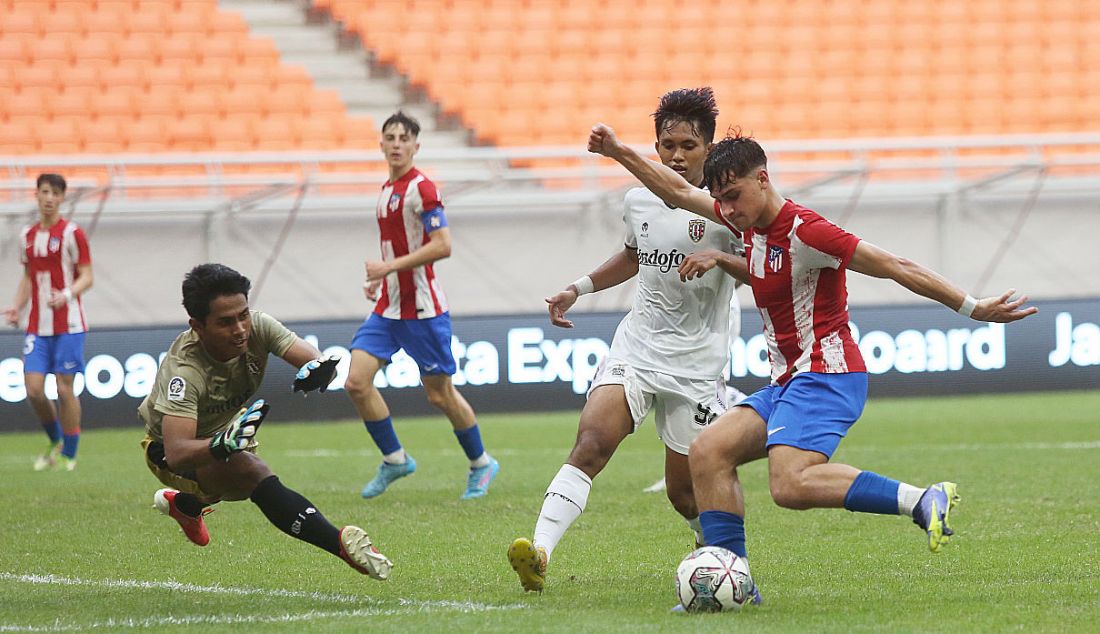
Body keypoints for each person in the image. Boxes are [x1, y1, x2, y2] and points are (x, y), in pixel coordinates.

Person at [587, 124, 1037, 600]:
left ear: (763, 178)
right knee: (708, 452)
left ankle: (922, 499)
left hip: (828, 374)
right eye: (722, 200)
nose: (730, 210)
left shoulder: (808, 232)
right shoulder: (745, 224)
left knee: (790, 484)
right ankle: (735, 583)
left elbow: (897, 266)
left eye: (735, 196)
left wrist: (974, 307)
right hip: (788, 382)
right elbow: (676, 190)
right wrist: (619, 153)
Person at [508, 88, 749, 593]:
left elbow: (762, 273)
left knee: (685, 495)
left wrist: (722, 259)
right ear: (656, 145)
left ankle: (728, 566)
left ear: (708, 147)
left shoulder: (729, 208)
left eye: (688, 144)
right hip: (636, 349)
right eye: (667, 145)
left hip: (696, 365)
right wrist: (579, 287)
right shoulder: (638, 198)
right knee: (591, 444)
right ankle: (540, 552)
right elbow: (633, 255)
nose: (677, 155)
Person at [138, 263, 392, 580]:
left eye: (243, 314)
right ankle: (339, 544)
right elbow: (178, 452)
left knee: (233, 483)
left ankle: (187, 506)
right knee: (250, 471)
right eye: (225, 322)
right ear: (198, 326)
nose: (240, 328)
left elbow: (312, 357)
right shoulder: (184, 372)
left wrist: (321, 369)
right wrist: (221, 445)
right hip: (168, 452)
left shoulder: (258, 326)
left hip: (224, 435)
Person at [344, 111, 499, 501]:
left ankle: (481, 463)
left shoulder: (423, 189)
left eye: (403, 138)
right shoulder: (385, 192)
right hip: (388, 308)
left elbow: (443, 245)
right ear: (380, 144)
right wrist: (380, 279)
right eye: (390, 137)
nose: (396, 143)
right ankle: (395, 459)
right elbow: (396, 246)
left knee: (439, 394)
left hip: (424, 311)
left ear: (416, 146)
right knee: (356, 382)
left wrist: (388, 267)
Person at [3, 173, 92, 471]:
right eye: (45, 191)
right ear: (37, 195)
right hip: (37, 326)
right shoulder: (27, 236)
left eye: (55, 192)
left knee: (65, 389)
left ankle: (69, 455)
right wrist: (17, 307)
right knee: (34, 389)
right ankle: (56, 439)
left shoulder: (72, 233)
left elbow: (87, 277)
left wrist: (66, 294)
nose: (49, 197)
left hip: (69, 324)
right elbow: (29, 278)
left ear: (62, 198)